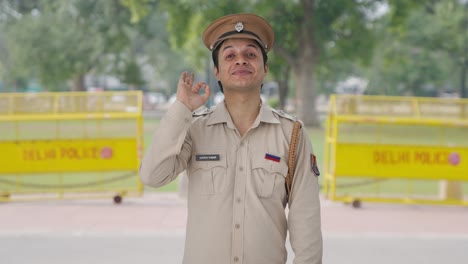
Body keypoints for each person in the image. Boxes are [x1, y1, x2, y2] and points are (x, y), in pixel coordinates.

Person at [140, 13, 322, 264]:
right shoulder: (195, 128)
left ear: (265, 68)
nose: (240, 61)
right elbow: (152, 176)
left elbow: (306, 220)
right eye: (229, 55)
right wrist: (182, 108)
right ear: (217, 71)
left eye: (250, 54)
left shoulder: (291, 134)